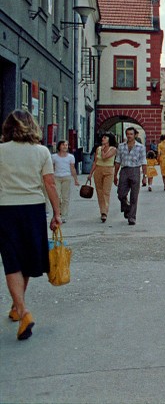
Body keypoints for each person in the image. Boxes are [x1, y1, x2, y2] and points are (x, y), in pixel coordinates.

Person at [0, 110, 61, 340]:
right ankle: (20, 308)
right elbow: (50, 184)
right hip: (33, 209)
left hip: (5, 209)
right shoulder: (41, 152)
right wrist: (57, 213)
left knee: (12, 260)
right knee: (25, 258)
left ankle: (20, 309)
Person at [114, 127, 147, 226]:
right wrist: (115, 175)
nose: (129, 136)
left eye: (131, 134)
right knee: (121, 194)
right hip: (124, 170)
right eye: (127, 134)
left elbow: (144, 162)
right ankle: (127, 207)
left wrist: (144, 176)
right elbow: (118, 160)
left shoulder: (140, 147)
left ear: (135, 135)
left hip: (135, 170)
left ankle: (132, 217)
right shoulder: (121, 146)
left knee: (134, 196)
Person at [87, 132, 117, 223]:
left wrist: (103, 150)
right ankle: (102, 211)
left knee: (106, 192)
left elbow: (104, 157)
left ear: (109, 139)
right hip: (98, 170)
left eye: (105, 137)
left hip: (109, 170)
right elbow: (95, 161)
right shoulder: (98, 148)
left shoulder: (113, 149)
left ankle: (105, 212)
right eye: (102, 137)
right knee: (99, 191)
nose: (103, 139)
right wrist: (90, 173)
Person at [51, 141, 80, 223]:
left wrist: (75, 179)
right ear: (59, 146)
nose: (65, 146)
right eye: (63, 145)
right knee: (57, 197)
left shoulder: (70, 157)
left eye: (66, 145)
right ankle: (57, 213)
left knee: (65, 197)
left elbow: (72, 168)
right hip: (56, 177)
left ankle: (64, 215)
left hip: (66, 177)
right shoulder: (54, 157)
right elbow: (52, 168)